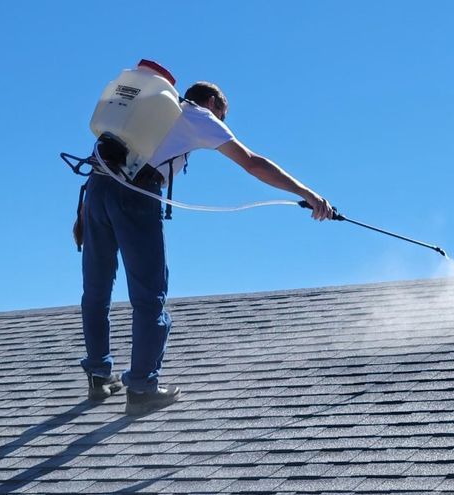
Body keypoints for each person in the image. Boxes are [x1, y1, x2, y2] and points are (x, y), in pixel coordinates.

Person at [79, 66, 334, 416]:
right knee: (149, 294)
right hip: (135, 196)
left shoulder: (149, 111)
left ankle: (98, 374)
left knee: (96, 288)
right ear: (213, 102)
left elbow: (104, 161)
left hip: (96, 190)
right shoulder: (198, 115)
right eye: (223, 115)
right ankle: (141, 386)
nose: (222, 122)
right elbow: (252, 162)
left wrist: (82, 216)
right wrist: (308, 194)